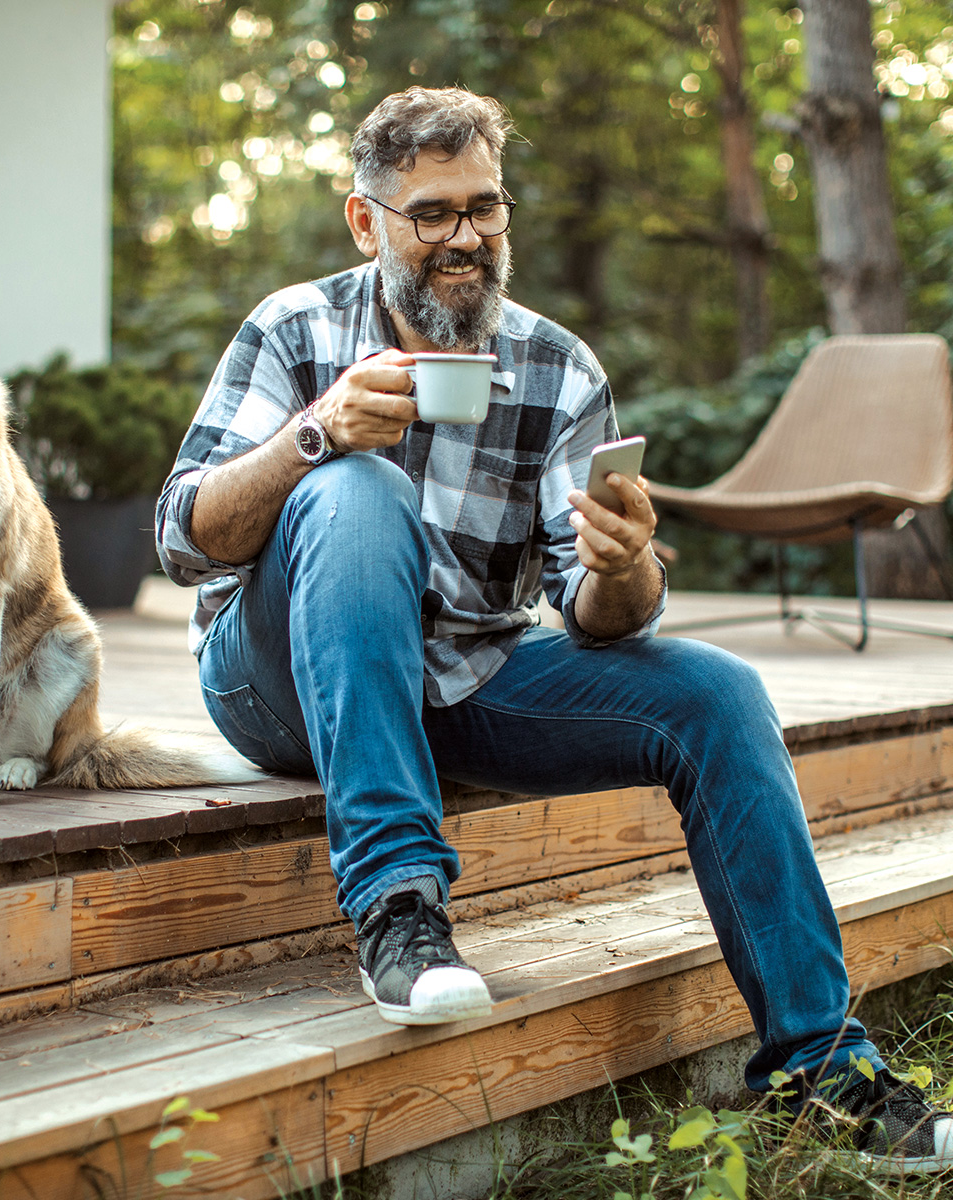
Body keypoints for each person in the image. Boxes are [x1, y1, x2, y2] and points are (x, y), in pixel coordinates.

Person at [156, 86, 952, 1171]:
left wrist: (626, 568)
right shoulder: (294, 329)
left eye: (485, 209)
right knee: (356, 496)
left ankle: (820, 1070)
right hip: (276, 683)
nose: (465, 239)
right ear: (365, 222)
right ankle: (398, 906)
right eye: (432, 214)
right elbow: (182, 538)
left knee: (718, 693)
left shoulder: (558, 366)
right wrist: (313, 435)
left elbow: (596, 610)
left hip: (465, 673)